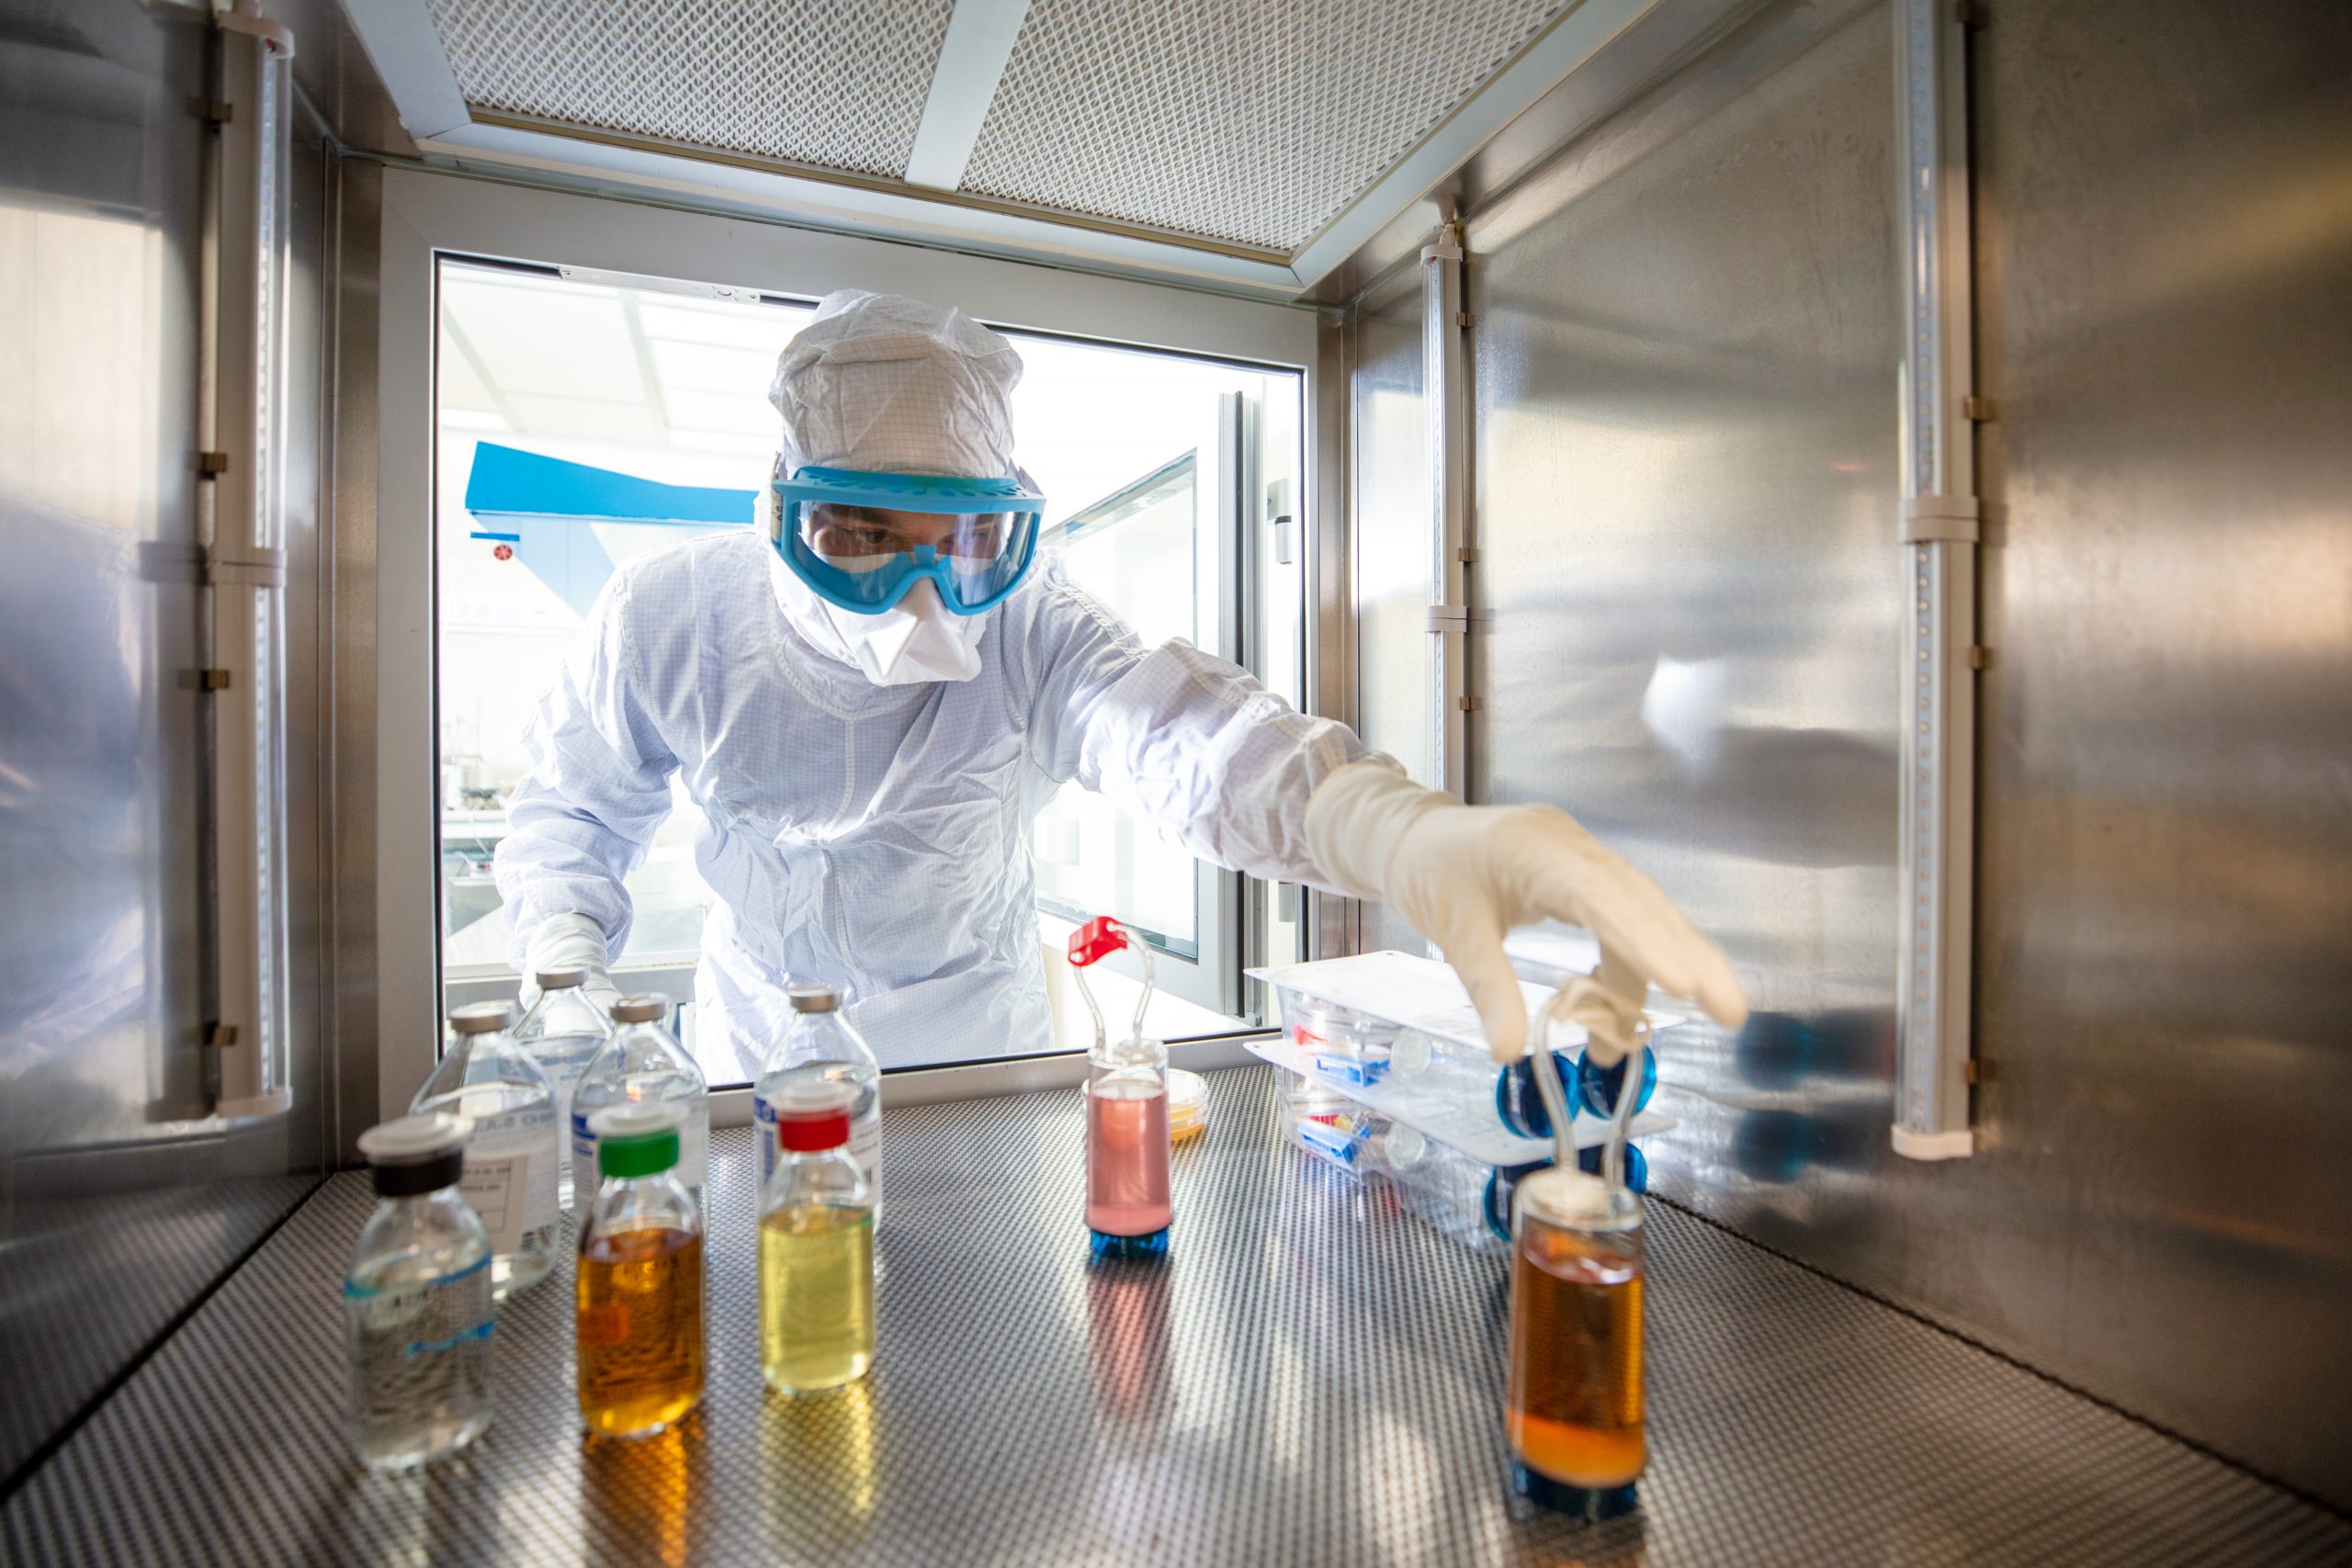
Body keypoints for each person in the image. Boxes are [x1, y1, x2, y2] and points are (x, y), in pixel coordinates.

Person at [493, 291, 1746, 1074]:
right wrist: (563, 964)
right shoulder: (669, 619)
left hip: (972, 1066)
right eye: (864, 537)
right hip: (750, 1059)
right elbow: (572, 814)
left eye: (961, 545)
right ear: (781, 512)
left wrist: (1399, 831)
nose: (921, 601)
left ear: (1008, 531)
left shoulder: (1028, 626)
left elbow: (1192, 742)